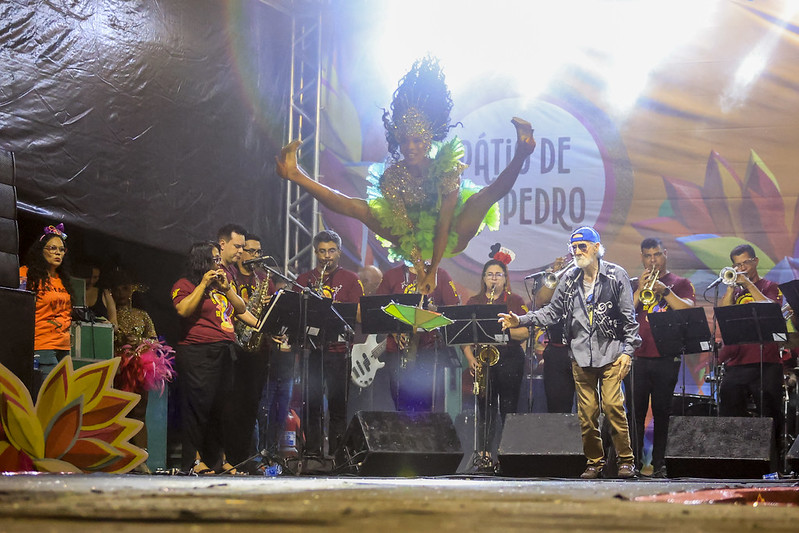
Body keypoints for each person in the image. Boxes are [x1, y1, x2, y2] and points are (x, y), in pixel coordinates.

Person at [276, 56, 536, 295]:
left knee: (481, 199)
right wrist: (419, 270)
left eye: (416, 140)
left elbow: (444, 223)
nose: (409, 147)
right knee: (360, 209)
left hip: (450, 233)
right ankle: (295, 173)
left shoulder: (445, 169)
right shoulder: (393, 177)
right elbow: (405, 229)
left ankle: (522, 152)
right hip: (411, 237)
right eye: (404, 141)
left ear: (427, 140)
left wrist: (432, 271)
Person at [499, 226, 641, 479]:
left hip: (610, 354)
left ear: (596, 248)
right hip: (580, 355)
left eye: (582, 246)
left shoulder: (616, 275)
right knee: (587, 415)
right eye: (573, 247)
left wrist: (627, 352)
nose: (577, 251)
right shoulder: (569, 278)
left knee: (612, 407)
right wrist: (520, 320)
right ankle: (594, 463)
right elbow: (552, 312)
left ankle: (626, 460)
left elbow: (630, 319)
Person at [171, 241, 247, 474]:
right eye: (213, 259)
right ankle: (193, 461)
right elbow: (183, 310)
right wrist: (203, 284)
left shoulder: (222, 284)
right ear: (201, 261)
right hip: (197, 352)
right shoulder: (184, 284)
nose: (218, 263)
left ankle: (217, 460)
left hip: (224, 350)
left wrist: (227, 289)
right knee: (197, 408)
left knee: (220, 409)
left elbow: (241, 308)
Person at [628, 237, 695, 478]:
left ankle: (659, 464)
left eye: (656, 254)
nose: (652, 260)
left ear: (665, 254)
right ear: (642, 258)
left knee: (662, 413)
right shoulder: (634, 283)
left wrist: (664, 291)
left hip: (666, 356)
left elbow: (688, 310)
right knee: (633, 413)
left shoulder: (681, 283)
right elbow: (624, 311)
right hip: (637, 356)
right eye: (647, 256)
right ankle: (631, 463)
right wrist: (639, 290)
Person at [295, 230, 364, 458]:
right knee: (311, 405)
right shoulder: (304, 281)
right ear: (315, 253)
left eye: (331, 251)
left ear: (339, 252)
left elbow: (360, 316)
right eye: (322, 251)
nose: (327, 256)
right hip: (312, 352)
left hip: (339, 352)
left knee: (337, 408)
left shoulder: (351, 279)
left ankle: (337, 455)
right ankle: (313, 453)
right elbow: (295, 315)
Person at [463, 249, 529, 466]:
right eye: (489, 274)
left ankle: (507, 455)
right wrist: (470, 358)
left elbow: (526, 332)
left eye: (498, 274)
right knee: (485, 408)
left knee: (508, 408)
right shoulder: (474, 301)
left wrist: (503, 331)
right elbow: (463, 335)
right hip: (483, 360)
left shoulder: (515, 300)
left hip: (510, 358)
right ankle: (484, 455)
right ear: (483, 278)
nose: (493, 278)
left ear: (505, 278)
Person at [718, 244, 786, 440]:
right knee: (730, 411)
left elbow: (772, 309)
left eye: (745, 262)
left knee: (770, 414)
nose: (741, 268)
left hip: (767, 362)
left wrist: (748, 284)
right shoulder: (735, 290)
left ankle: (774, 462)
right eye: (737, 264)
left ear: (755, 261)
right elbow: (723, 315)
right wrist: (731, 288)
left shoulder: (770, 286)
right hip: (737, 362)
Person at [375, 261, 460, 412]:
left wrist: (435, 310)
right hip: (398, 348)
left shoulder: (440, 275)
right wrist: (394, 333)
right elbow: (378, 309)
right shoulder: (391, 275)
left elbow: (454, 309)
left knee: (426, 401)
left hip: (428, 348)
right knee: (399, 400)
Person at [20, 224, 74, 378]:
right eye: (52, 248)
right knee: (48, 396)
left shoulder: (62, 280)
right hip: (42, 345)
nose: (58, 253)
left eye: (61, 250)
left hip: (63, 347)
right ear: (40, 250)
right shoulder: (26, 274)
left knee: (62, 397)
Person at [534, 255, 576, 414]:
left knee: (590, 409)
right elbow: (540, 300)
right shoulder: (559, 279)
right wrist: (558, 272)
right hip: (558, 350)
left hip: (585, 350)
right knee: (557, 409)